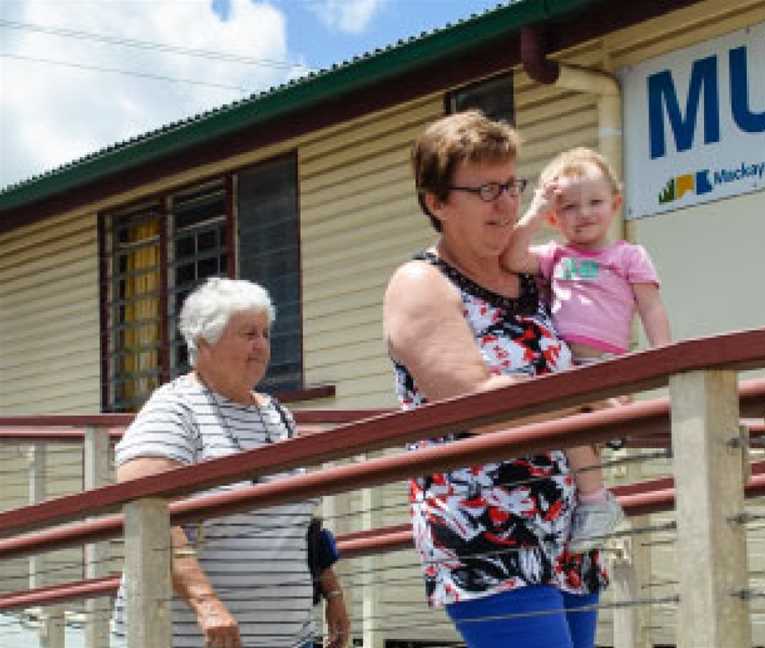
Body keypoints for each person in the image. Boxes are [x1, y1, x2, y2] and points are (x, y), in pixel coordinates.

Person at [383, 111, 607, 648]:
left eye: (511, 184)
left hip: (565, 526)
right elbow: (476, 403)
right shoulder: (422, 283)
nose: (505, 202)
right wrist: (586, 408)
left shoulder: (527, 276)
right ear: (436, 202)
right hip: (485, 531)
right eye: (485, 189)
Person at [111, 277, 350, 648]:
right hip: (196, 638)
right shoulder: (175, 409)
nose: (261, 346)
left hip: (290, 637)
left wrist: (331, 591)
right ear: (204, 340)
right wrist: (205, 603)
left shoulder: (276, 414)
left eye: (266, 333)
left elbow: (299, 522)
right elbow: (147, 513)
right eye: (248, 334)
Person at [502, 147, 672, 552]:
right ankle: (596, 500)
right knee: (570, 424)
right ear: (554, 218)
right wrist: (534, 209)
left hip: (609, 367)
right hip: (567, 367)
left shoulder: (628, 256)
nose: (584, 214)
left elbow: (650, 305)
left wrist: (663, 355)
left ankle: (603, 468)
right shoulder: (555, 256)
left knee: (574, 411)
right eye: (569, 207)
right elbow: (511, 257)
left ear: (615, 204)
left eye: (595, 202)